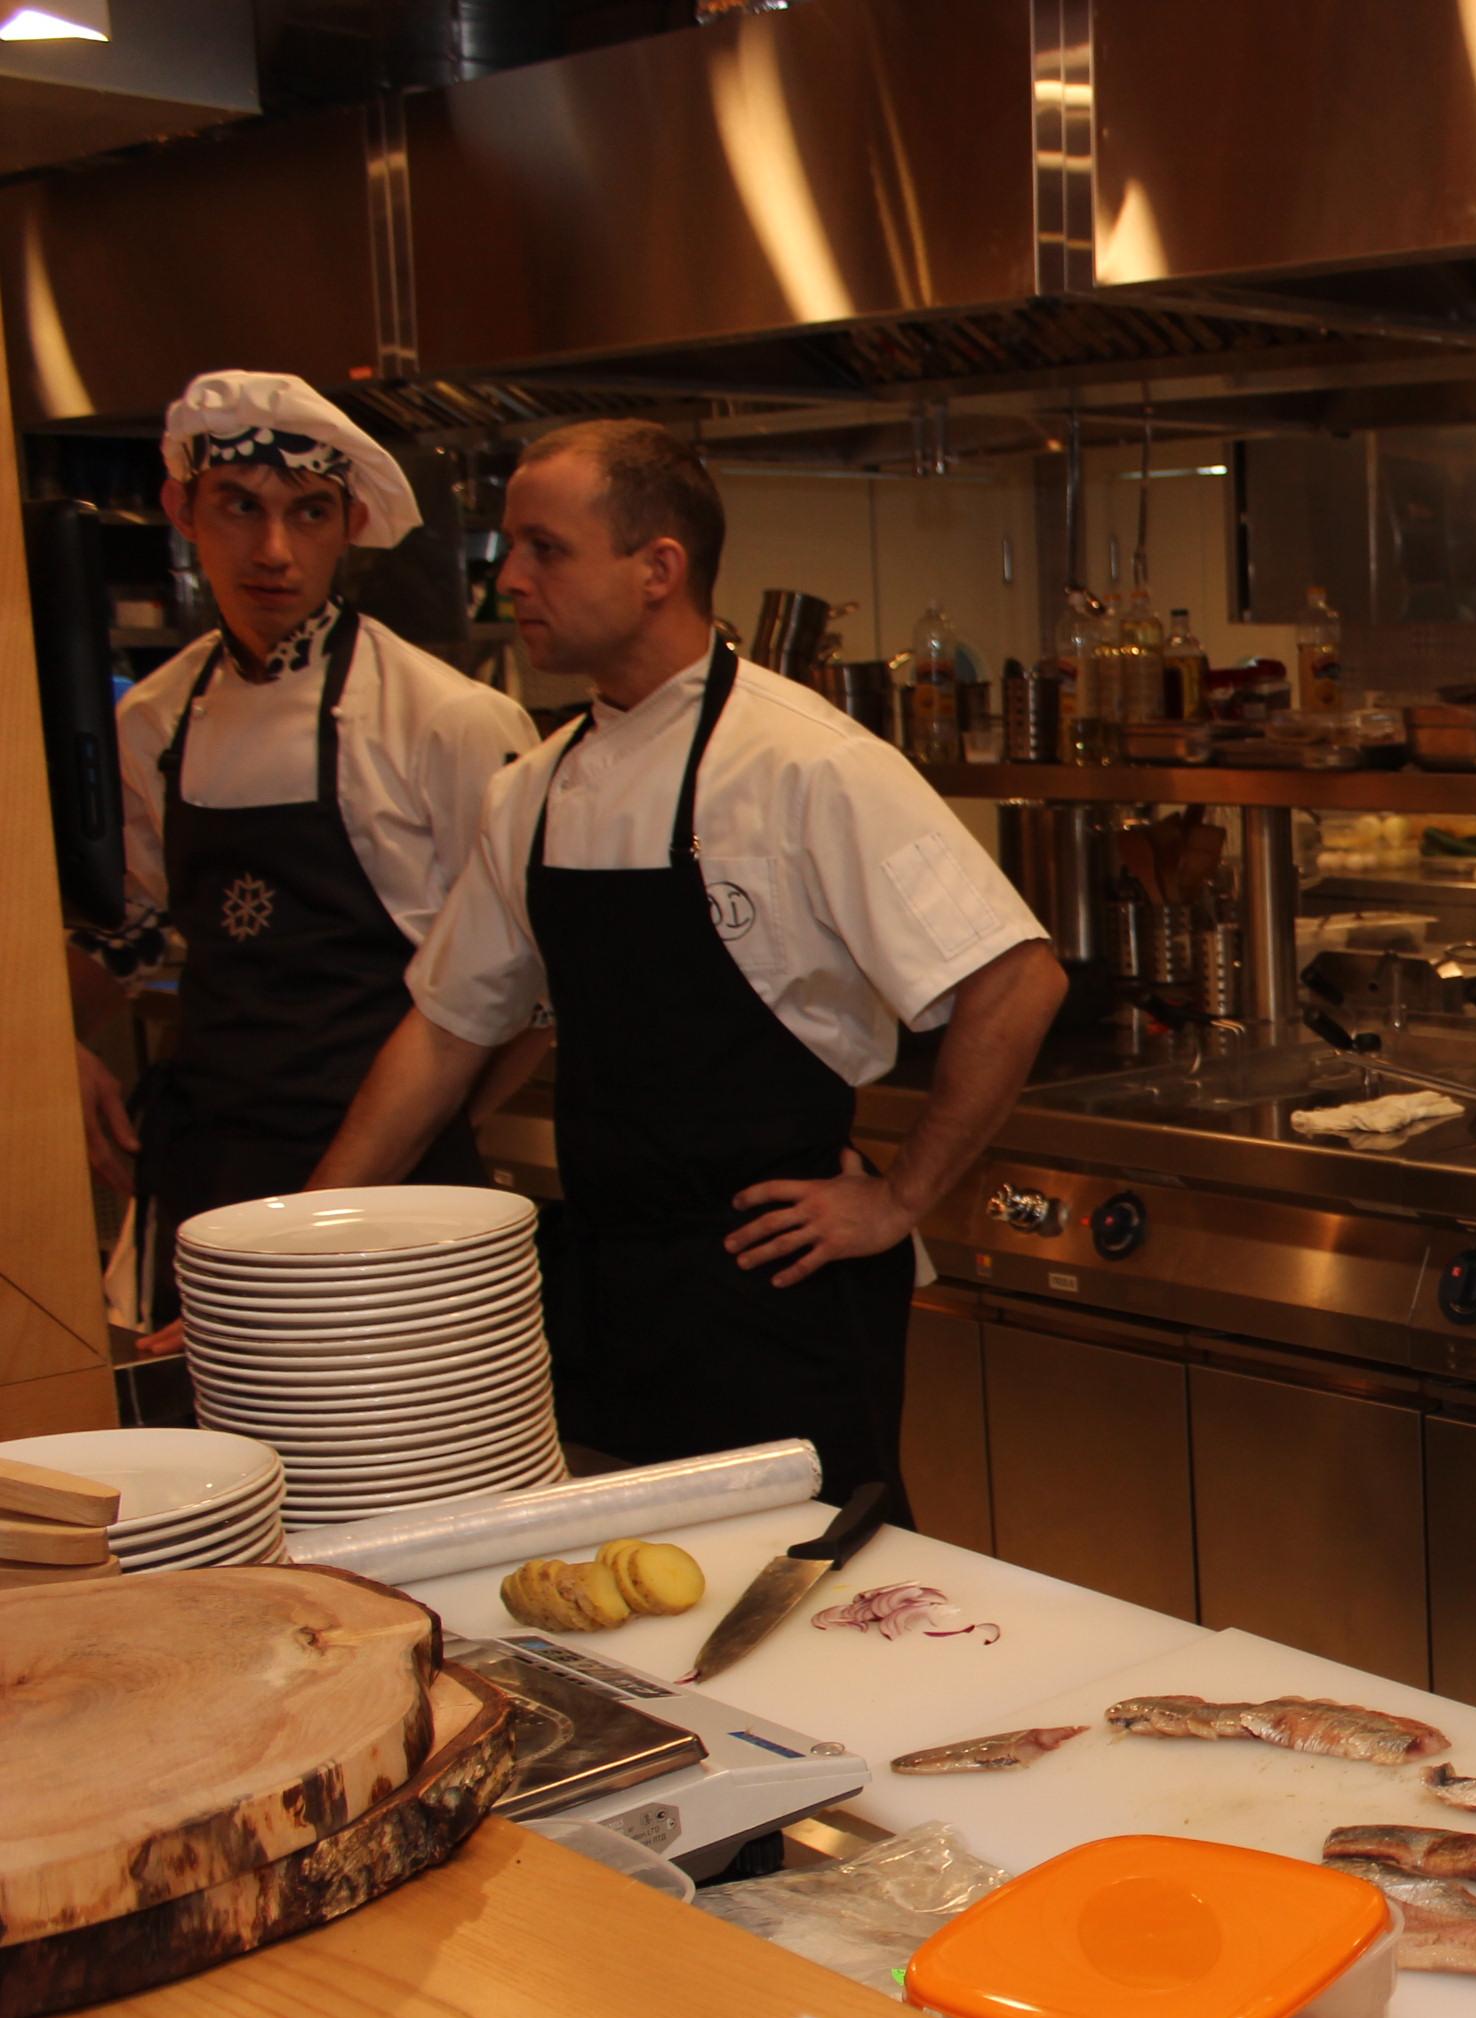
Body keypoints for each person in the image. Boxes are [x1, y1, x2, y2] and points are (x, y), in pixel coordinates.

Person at [312, 420, 1066, 1506]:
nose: (510, 578)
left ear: (657, 568)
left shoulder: (808, 764)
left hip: (781, 1289)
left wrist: (900, 1200)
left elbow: (1018, 978)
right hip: (605, 1287)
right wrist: (300, 1238)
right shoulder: (531, 791)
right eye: (511, 549)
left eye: (544, 549)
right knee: (621, 1585)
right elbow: (444, 1032)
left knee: (806, 1589)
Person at [73, 370, 538, 1321]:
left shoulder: (447, 720)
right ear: (182, 512)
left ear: (350, 523)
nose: (274, 551)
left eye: (309, 512)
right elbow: (124, 930)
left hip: (397, 1193)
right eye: (240, 506)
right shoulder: (153, 719)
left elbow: (527, 986)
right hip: (213, 1167)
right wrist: (51, 1054)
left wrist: (426, 1138)